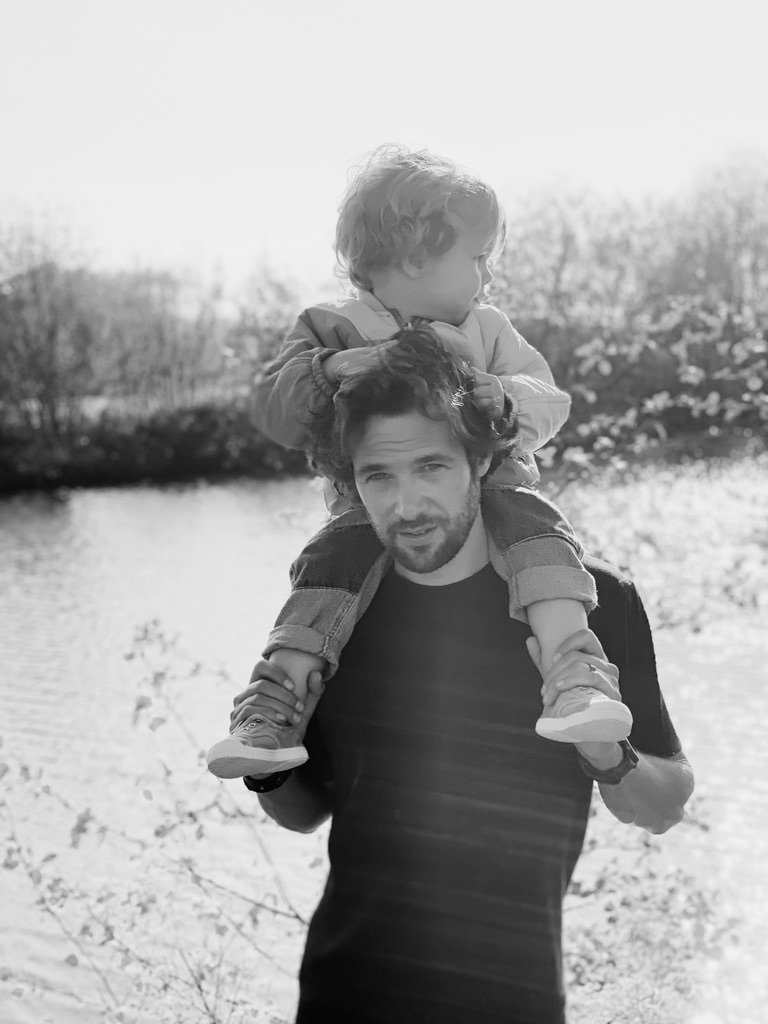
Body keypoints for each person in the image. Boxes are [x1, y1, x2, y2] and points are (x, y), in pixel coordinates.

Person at [230, 334, 694, 1024]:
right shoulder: (335, 613)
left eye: (431, 467)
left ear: (481, 460)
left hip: (516, 1001)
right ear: (352, 483)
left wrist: (608, 756)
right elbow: (303, 812)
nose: (407, 503)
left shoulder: (585, 605)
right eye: (379, 477)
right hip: (346, 995)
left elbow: (664, 805)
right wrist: (271, 771)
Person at [207, 146, 632, 779]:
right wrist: (330, 369)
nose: (487, 276)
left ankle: (576, 678)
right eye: (478, 258)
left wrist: (504, 396)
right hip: (368, 511)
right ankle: (272, 712)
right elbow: (273, 407)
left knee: (546, 543)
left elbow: (552, 401)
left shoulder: (487, 330)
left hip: (498, 492)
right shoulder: (332, 328)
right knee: (324, 572)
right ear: (414, 256)